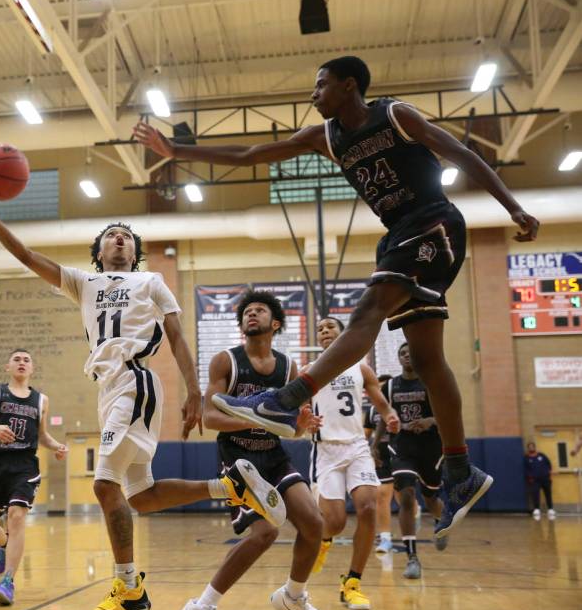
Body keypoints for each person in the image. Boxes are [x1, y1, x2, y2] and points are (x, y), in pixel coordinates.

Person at [135, 55, 540, 538]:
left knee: (369, 308)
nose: (314, 93)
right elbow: (251, 155)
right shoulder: (325, 136)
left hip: (434, 222)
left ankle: (289, 395)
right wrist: (180, 151)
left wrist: (513, 207)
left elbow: (462, 155)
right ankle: (459, 470)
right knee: (430, 359)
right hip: (399, 234)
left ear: (350, 87)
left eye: (321, 85)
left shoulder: (395, 115)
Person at [0, 178, 286, 610]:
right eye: (110, 236)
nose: (118, 239)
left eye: (126, 237)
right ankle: (229, 486)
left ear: (134, 252)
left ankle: (128, 588)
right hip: (109, 389)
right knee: (140, 496)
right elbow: (25, 255)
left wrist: (195, 390)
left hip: (135, 382)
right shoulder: (82, 283)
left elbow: (176, 334)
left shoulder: (152, 280)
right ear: (99, 252)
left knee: (103, 484)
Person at [183, 290, 323, 610]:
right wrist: (250, 418)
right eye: (247, 311)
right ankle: (202, 606)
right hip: (237, 459)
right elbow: (210, 416)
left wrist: (302, 424)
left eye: (259, 310)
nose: (251, 314)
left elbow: (292, 426)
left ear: (274, 323)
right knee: (265, 533)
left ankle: (292, 597)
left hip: (273, 456)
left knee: (314, 523)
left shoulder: (289, 367)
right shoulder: (226, 361)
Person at [308, 316, 399, 610]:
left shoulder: (360, 367)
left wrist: (389, 415)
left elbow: (378, 398)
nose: (324, 332)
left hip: (357, 447)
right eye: (320, 329)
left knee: (369, 507)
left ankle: (352, 584)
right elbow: (298, 405)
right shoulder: (309, 371)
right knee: (334, 522)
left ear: (342, 332)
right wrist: (304, 418)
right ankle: (324, 540)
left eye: (330, 327)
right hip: (327, 451)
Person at [0, 348, 68, 605]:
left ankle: (7, 581)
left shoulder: (41, 400)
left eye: (26, 360)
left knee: (16, 515)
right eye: (17, 359)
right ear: (8, 367)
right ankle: (2, 543)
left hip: (25, 466)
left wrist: (57, 446)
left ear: (32, 368)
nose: (22, 363)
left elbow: (42, 436)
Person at [374, 343, 447, 580]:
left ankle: (440, 518)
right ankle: (412, 558)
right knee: (406, 495)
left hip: (430, 447)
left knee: (430, 497)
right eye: (402, 353)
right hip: (402, 447)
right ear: (399, 359)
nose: (406, 356)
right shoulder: (392, 385)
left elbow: (448, 413)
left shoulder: (431, 381)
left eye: (410, 352)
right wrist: (376, 444)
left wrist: (431, 421)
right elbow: (384, 416)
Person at [364, 374, 395, 554]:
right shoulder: (371, 412)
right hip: (381, 456)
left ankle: (415, 510)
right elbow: (364, 436)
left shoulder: (396, 408)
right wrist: (370, 452)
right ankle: (385, 538)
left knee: (402, 496)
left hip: (400, 454)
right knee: (382, 495)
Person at [524, 442, 555, 521]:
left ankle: (550, 509)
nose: (531, 448)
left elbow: (549, 464)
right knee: (535, 494)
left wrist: (550, 474)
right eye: (529, 447)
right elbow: (526, 469)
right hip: (535, 480)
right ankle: (537, 509)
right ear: (528, 448)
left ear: (535, 447)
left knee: (548, 493)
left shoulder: (542, 455)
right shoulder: (527, 458)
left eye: (532, 446)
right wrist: (529, 477)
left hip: (545, 478)